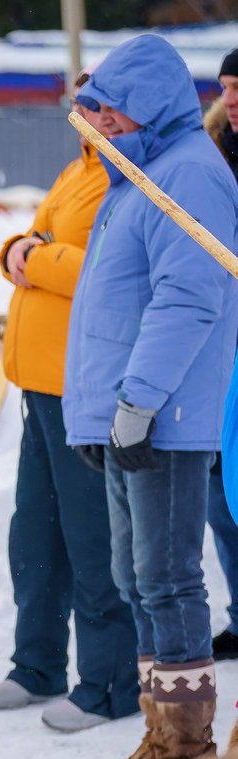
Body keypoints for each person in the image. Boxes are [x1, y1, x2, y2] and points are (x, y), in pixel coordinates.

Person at [64, 35, 238, 759]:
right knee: (136, 579)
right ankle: (160, 735)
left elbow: (187, 299)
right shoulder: (138, 174)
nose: (96, 122)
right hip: (129, 415)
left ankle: (187, 755)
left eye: (108, 111)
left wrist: (137, 402)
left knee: (167, 581)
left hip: (163, 415)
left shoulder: (191, 175)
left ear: (148, 110)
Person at [0, 122, 138, 733]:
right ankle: (37, 663)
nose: (84, 112)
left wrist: (34, 254)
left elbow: (102, 270)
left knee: (90, 537)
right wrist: (19, 249)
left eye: (98, 102)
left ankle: (108, 682)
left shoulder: (126, 180)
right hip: (39, 387)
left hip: (85, 389)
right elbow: (29, 242)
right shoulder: (78, 170)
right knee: (36, 535)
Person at [204, 51, 238, 659]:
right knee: (222, 495)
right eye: (226, 87)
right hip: (217, 347)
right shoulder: (209, 158)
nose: (232, 99)